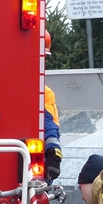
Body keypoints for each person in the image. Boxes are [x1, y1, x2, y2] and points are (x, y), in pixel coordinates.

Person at [43, 31, 62, 183]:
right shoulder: (43, 92)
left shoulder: (44, 93)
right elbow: (50, 126)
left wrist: (54, 154)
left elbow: (49, 126)